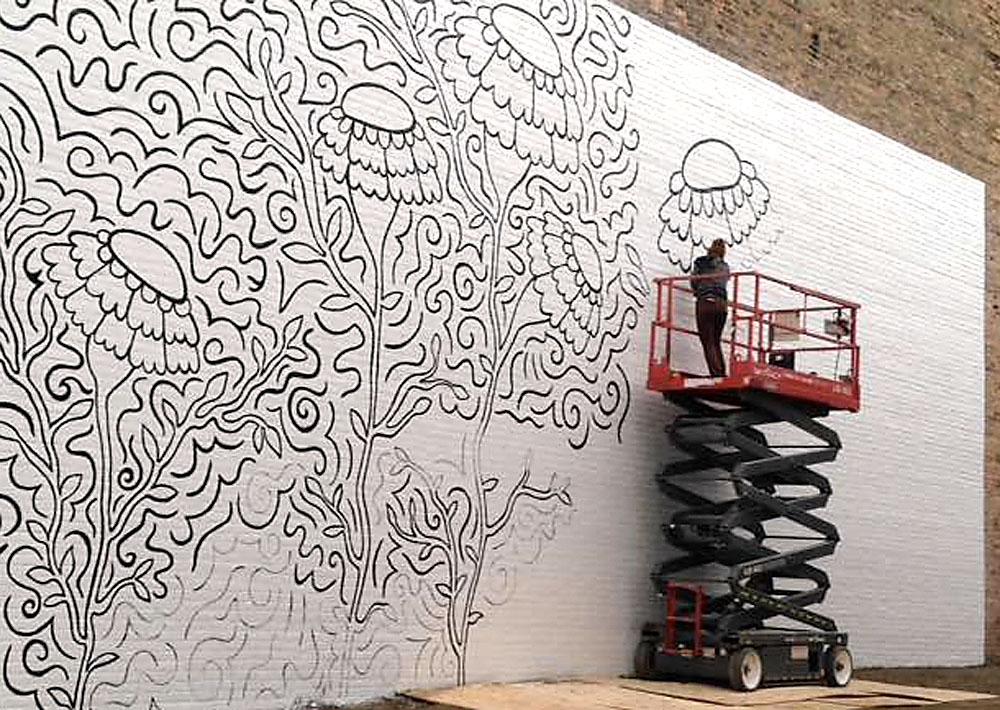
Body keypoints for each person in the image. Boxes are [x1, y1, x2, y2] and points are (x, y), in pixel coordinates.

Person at [691, 239, 730, 377]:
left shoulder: (701, 262)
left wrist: (697, 291)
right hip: (722, 305)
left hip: (706, 303)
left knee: (707, 340)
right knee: (716, 340)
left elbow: (694, 280)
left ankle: (716, 373)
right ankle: (722, 372)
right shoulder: (725, 266)